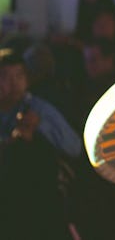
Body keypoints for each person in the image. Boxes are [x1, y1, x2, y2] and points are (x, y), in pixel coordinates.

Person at [0, 46, 82, 239]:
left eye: (19, 75)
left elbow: (74, 147)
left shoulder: (39, 110)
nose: (12, 83)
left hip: (35, 203)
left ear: (27, 80)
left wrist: (39, 127)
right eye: (4, 76)